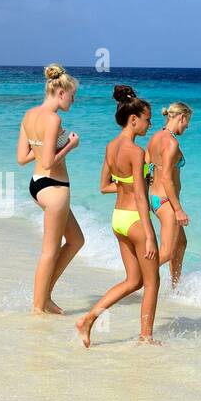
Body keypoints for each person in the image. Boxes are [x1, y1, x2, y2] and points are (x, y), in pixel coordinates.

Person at [75, 86, 159, 347]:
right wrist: (148, 236)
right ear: (133, 119)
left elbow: (104, 186)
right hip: (135, 219)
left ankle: (88, 319)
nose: (149, 123)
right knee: (152, 282)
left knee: (133, 280)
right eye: (147, 119)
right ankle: (146, 337)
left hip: (118, 219)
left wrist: (129, 185)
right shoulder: (136, 151)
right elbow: (142, 199)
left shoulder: (111, 147)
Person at [16, 64, 83, 314]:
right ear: (61, 92)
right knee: (50, 251)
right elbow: (47, 161)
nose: (73, 101)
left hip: (36, 185)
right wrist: (70, 146)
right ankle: (38, 307)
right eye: (72, 96)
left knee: (76, 240)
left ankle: (45, 296)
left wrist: (44, 146)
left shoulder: (29, 115)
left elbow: (22, 158)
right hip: (54, 188)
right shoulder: (53, 118)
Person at [146, 102, 192, 289]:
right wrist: (178, 209)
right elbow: (166, 177)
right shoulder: (172, 143)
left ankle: (175, 288)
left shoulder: (155, 137)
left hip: (155, 199)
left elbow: (147, 165)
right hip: (167, 203)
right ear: (181, 117)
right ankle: (135, 280)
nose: (186, 127)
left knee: (181, 243)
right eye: (186, 123)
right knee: (166, 252)